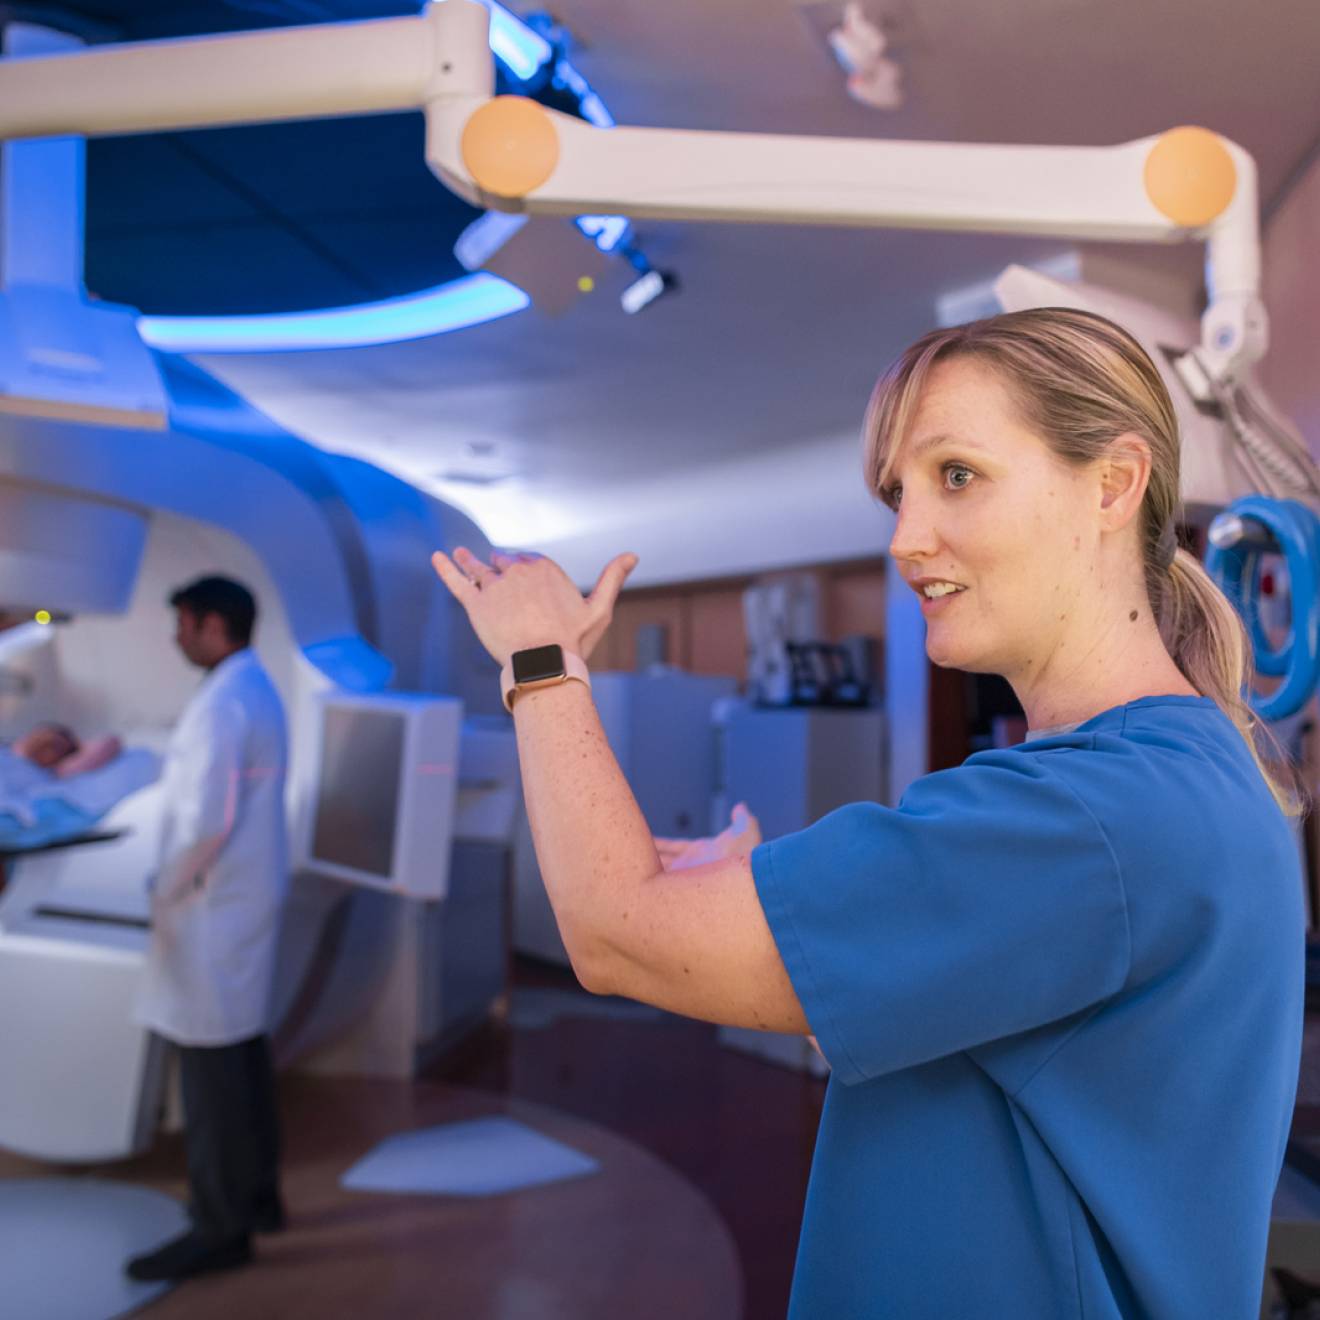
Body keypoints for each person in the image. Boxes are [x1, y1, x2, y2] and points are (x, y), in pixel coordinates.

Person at [430, 307, 1305, 1319]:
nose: (904, 540)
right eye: (898, 494)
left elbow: (613, 932)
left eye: (957, 475)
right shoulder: (1181, 770)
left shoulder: (1088, 816)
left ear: (1112, 484)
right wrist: (816, 923)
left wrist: (541, 660)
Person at [126, 576, 289, 1283]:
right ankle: (259, 1200)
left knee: (212, 1074)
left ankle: (220, 1230)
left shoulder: (224, 702)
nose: (176, 637)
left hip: (212, 906)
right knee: (241, 1055)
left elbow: (203, 823)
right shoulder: (253, 687)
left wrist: (162, 887)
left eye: (183, 623)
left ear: (213, 625)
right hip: (239, 900)